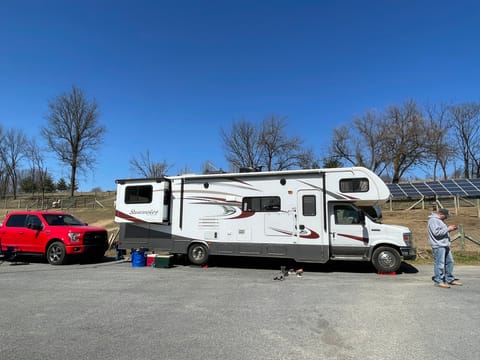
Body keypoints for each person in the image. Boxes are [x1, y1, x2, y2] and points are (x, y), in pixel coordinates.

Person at [427, 208, 462, 288]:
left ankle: (449, 279)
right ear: (441, 214)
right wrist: (448, 228)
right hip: (438, 245)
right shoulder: (433, 220)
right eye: (446, 216)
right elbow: (436, 233)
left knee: (450, 262)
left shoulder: (439, 220)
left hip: (444, 245)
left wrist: (449, 229)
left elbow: (442, 231)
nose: (446, 218)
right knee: (440, 263)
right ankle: (439, 280)